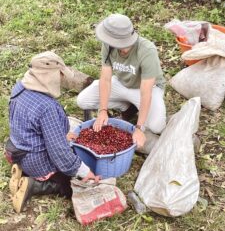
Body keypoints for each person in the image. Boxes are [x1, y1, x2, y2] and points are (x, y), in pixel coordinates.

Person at [5, 51, 99, 213]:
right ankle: (34, 185)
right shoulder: (47, 107)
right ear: (52, 76)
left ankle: (21, 169)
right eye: (60, 75)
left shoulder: (20, 87)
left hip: (16, 150)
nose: (62, 79)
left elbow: (30, 124)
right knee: (69, 183)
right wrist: (85, 172)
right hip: (35, 160)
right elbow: (60, 154)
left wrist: (61, 135)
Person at [77, 14, 166, 148]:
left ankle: (135, 108)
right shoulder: (108, 45)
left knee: (156, 126)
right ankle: (127, 106)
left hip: (147, 89)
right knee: (83, 100)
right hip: (121, 83)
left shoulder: (147, 50)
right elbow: (106, 79)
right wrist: (102, 110)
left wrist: (139, 128)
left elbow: (146, 92)